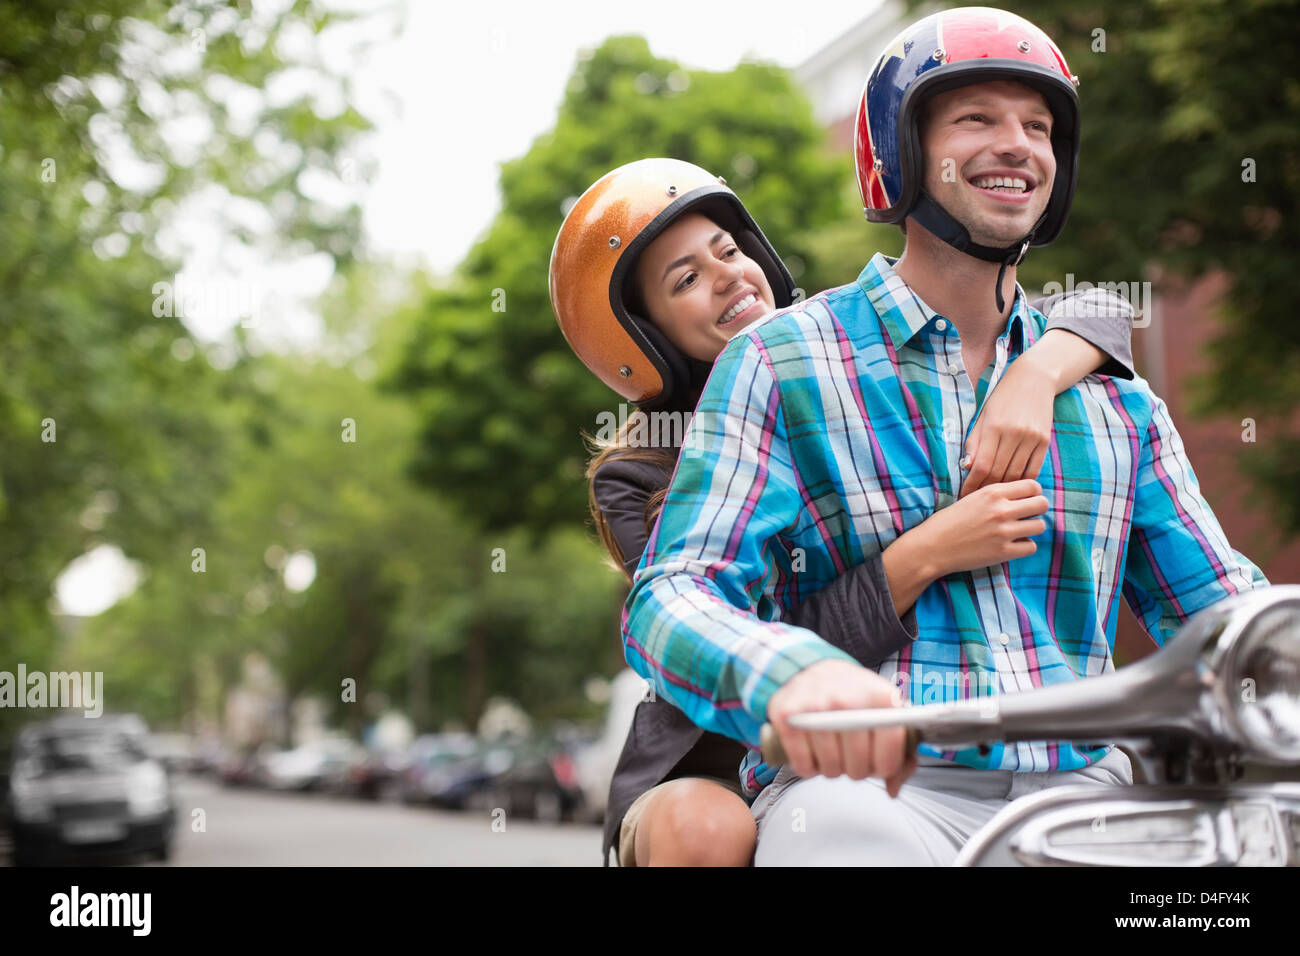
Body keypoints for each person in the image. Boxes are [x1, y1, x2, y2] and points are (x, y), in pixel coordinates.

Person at [619, 7, 1268, 866]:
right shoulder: (780, 362)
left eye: (1038, 127)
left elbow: (1230, 617)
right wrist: (788, 676)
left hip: (1097, 796)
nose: (1019, 145)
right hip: (872, 796)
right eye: (977, 119)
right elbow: (673, 595)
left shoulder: (1122, 408)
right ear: (899, 152)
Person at [550, 151, 1137, 865]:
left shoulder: (848, 352)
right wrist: (926, 554)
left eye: (729, 251)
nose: (727, 275)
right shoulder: (638, 474)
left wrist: (1039, 373)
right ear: (639, 334)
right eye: (687, 279)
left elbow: (1100, 308)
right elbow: (738, 624)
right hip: (727, 748)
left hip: (917, 739)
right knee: (702, 825)